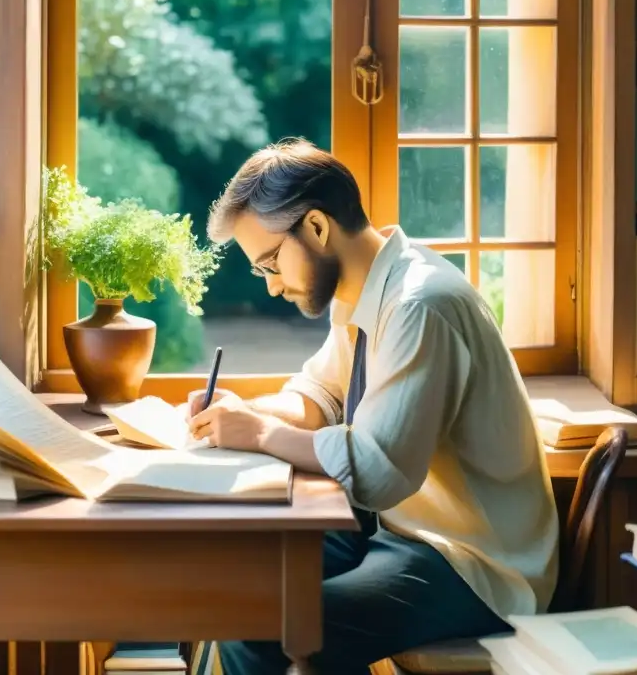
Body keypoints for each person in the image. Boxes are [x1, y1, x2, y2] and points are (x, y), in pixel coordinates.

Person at [186, 138, 559, 675]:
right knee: (237, 575)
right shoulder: (364, 290)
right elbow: (321, 395)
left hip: (468, 563)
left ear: (316, 228)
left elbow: (380, 469)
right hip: (394, 532)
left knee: (260, 626)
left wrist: (260, 435)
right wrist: (241, 411)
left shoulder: (421, 305)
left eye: (270, 262)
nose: (270, 288)